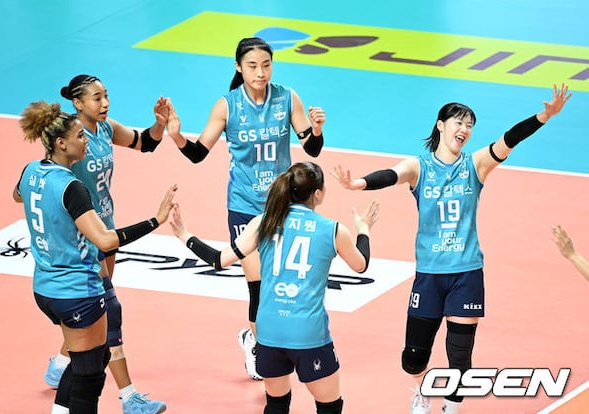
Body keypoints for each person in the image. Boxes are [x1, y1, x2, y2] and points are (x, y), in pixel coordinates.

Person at [331, 83, 571, 414]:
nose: (465, 129)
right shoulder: (419, 167)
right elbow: (391, 174)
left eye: (470, 125)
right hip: (429, 275)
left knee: (460, 356)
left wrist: (544, 116)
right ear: (441, 125)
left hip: (466, 273)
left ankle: (452, 404)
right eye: (459, 122)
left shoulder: (476, 165)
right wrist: (359, 183)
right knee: (412, 359)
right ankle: (422, 390)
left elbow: (509, 138)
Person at [166, 37, 326, 380]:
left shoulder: (287, 98)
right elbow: (198, 153)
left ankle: (263, 338)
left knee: (279, 281)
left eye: (266, 65)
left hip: (282, 204)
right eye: (252, 66)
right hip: (244, 206)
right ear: (239, 67)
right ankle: (256, 343)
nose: (261, 73)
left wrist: (316, 130)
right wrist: (177, 136)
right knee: (259, 284)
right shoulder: (227, 107)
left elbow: (311, 149)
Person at [170, 161, 379, 414]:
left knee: (276, 405)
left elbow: (218, 260)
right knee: (329, 407)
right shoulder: (333, 230)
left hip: (268, 331)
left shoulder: (263, 222)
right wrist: (364, 229)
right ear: (318, 194)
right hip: (308, 333)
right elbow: (360, 265)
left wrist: (184, 234)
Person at [14, 100, 176, 413]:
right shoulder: (71, 187)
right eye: (79, 136)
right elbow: (105, 239)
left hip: (45, 288)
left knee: (93, 356)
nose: (86, 140)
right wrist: (155, 221)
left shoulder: (31, 171)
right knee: (89, 377)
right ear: (61, 144)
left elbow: (17, 195)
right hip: (76, 290)